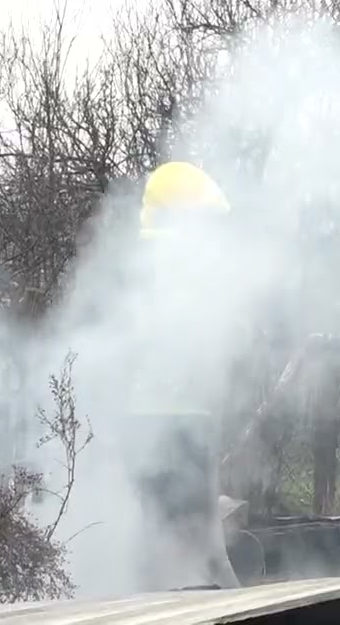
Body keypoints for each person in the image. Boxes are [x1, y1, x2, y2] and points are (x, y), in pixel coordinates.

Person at [129, 159, 243, 590]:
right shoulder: (166, 270)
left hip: (178, 421)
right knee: (184, 541)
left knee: (180, 539)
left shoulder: (164, 267)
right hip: (167, 426)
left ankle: (186, 596)